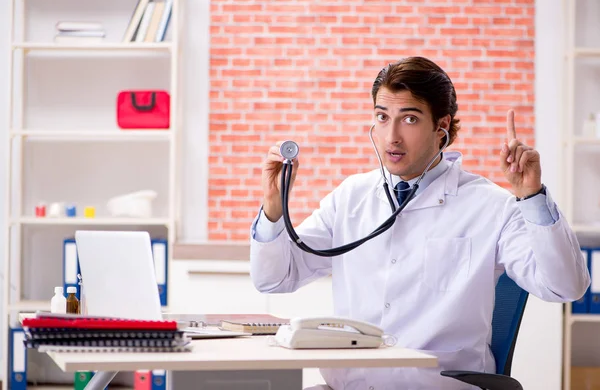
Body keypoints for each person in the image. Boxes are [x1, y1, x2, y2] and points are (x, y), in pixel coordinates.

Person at [248, 56, 590, 390]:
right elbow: (274, 278)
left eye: (408, 119)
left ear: (441, 127)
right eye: (382, 117)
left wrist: (532, 197)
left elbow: (564, 286)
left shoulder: (491, 206)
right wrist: (273, 208)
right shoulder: (351, 197)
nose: (391, 137)